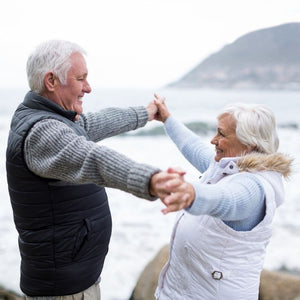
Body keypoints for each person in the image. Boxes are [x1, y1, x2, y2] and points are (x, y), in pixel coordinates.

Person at [5, 40, 185, 300]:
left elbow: (95, 122)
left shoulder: (49, 118)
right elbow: (91, 158)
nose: (88, 88)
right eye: (80, 79)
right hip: (64, 290)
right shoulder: (43, 132)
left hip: (71, 278)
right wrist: (151, 179)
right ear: (51, 81)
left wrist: (146, 113)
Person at [153, 95, 293, 299]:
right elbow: (192, 146)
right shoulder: (227, 166)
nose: (213, 140)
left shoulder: (254, 186)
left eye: (221, 134)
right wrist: (167, 119)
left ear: (249, 144)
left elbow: (227, 200)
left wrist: (192, 194)